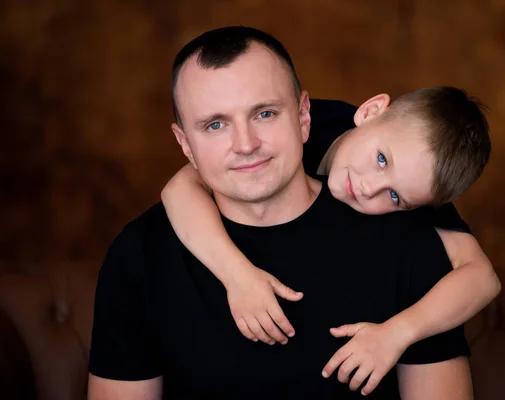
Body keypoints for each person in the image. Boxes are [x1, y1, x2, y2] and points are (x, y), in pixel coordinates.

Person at [88, 26, 474, 399]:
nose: (245, 144)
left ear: (304, 116)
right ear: (185, 144)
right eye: (216, 125)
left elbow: (479, 276)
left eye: (265, 114)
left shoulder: (408, 238)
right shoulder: (139, 254)